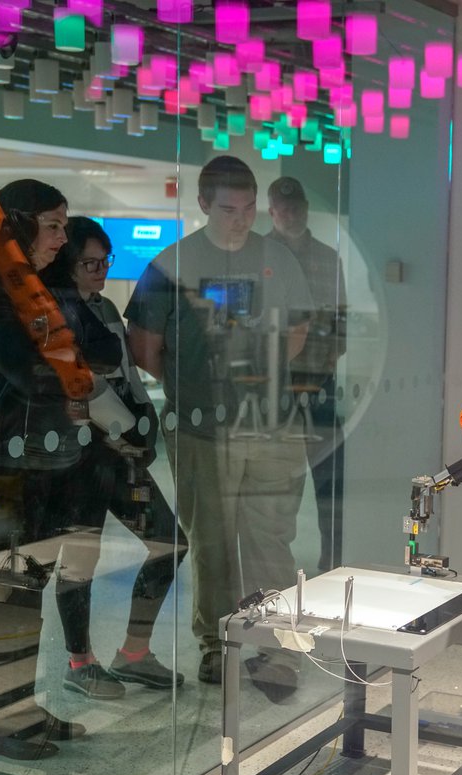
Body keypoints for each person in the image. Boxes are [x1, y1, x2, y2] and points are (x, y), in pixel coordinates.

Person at [125, 156, 313, 688]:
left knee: (270, 539)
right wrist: (195, 387)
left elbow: (298, 332)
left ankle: (276, 644)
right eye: (229, 209)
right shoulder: (172, 265)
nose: (241, 218)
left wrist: (262, 376)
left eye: (250, 207)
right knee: (211, 540)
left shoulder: (278, 260)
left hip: (271, 424)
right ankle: (217, 642)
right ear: (204, 205)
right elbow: (144, 348)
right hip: (203, 428)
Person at [0, 179, 122, 713]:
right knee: (11, 590)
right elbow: (26, 373)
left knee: (41, 580)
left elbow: (100, 347)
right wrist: (74, 375)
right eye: (52, 225)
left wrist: (72, 371)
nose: (61, 238)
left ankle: (24, 709)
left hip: (50, 455)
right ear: (18, 225)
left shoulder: (43, 286)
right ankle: (4, 715)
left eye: (64, 226)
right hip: (2, 460)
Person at [39, 216, 185, 692]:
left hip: (118, 455)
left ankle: (134, 652)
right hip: (77, 457)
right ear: (68, 265)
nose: (100, 270)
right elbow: (76, 386)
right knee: (81, 558)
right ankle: (80, 663)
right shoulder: (52, 314)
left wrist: (139, 427)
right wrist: (121, 427)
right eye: (89, 262)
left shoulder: (102, 310)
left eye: (106, 261)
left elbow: (125, 374)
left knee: (170, 542)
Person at [266, 177, 347, 574]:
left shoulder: (328, 259)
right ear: (271, 212)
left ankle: (333, 558)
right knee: (275, 481)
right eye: (283, 209)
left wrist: (326, 360)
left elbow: (342, 323)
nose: (290, 214)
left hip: (318, 381)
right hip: (270, 386)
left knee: (331, 476)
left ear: (305, 209)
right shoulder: (255, 254)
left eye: (296, 207)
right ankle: (273, 565)